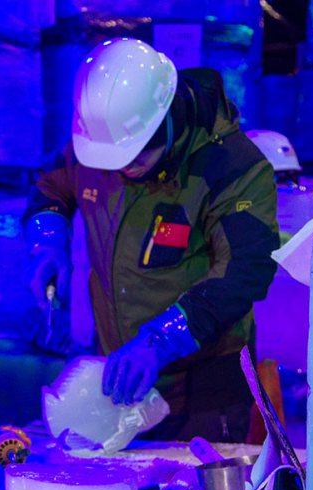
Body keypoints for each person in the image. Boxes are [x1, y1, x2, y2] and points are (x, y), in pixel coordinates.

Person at [25, 38, 280, 443]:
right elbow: (50, 187)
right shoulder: (99, 142)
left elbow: (245, 270)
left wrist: (162, 338)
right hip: (121, 379)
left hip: (206, 392)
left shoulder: (234, 167)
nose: (124, 168)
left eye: (138, 155)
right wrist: (47, 244)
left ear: (169, 116)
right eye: (112, 160)